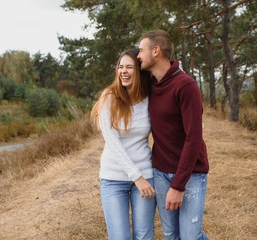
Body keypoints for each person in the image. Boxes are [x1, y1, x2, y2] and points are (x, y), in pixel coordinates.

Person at [137, 29, 210, 240]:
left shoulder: (185, 86)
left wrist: (178, 185)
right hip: (160, 171)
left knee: (190, 236)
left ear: (156, 50)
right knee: (171, 235)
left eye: (142, 50)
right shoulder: (150, 84)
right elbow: (123, 81)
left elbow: (194, 138)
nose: (139, 55)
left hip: (191, 174)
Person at [90, 48, 156, 240]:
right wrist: (137, 177)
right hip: (113, 178)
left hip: (145, 174)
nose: (123, 71)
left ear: (139, 71)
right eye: (120, 67)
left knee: (144, 236)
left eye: (129, 67)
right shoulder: (109, 98)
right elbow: (112, 142)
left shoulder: (150, 99)